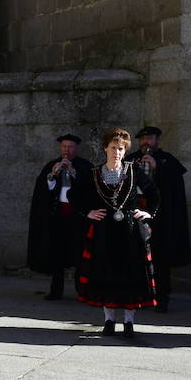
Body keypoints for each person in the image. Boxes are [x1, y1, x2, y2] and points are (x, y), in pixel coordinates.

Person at [73, 128, 157, 341]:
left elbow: (154, 193)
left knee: (130, 275)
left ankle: (129, 322)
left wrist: (148, 213)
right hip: (104, 232)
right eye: (113, 148)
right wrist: (88, 212)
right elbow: (74, 196)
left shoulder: (133, 170)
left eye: (121, 149)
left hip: (129, 231)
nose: (117, 152)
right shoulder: (94, 173)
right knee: (105, 274)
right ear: (105, 148)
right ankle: (109, 320)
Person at [128, 126, 191, 312]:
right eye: (143, 139)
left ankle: (161, 298)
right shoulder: (131, 160)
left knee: (160, 260)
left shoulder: (167, 160)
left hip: (160, 218)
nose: (146, 142)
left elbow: (174, 188)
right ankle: (140, 295)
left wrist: (158, 168)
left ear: (157, 140)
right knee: (136, 257)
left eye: (150, 138)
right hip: (137, 214)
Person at [27, 133, 95, 301]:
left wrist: (73, 173)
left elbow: (90, 189)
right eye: (64, 147)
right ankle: (56, 290)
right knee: (56, 254)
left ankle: (82, 290)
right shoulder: (52, 165)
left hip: (78, 218)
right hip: (58, 218)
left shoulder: (85, 167)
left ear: (76, 148)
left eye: (70, 147)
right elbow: (44, 190)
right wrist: (53, 176)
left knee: (80, 254)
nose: (66, 150)